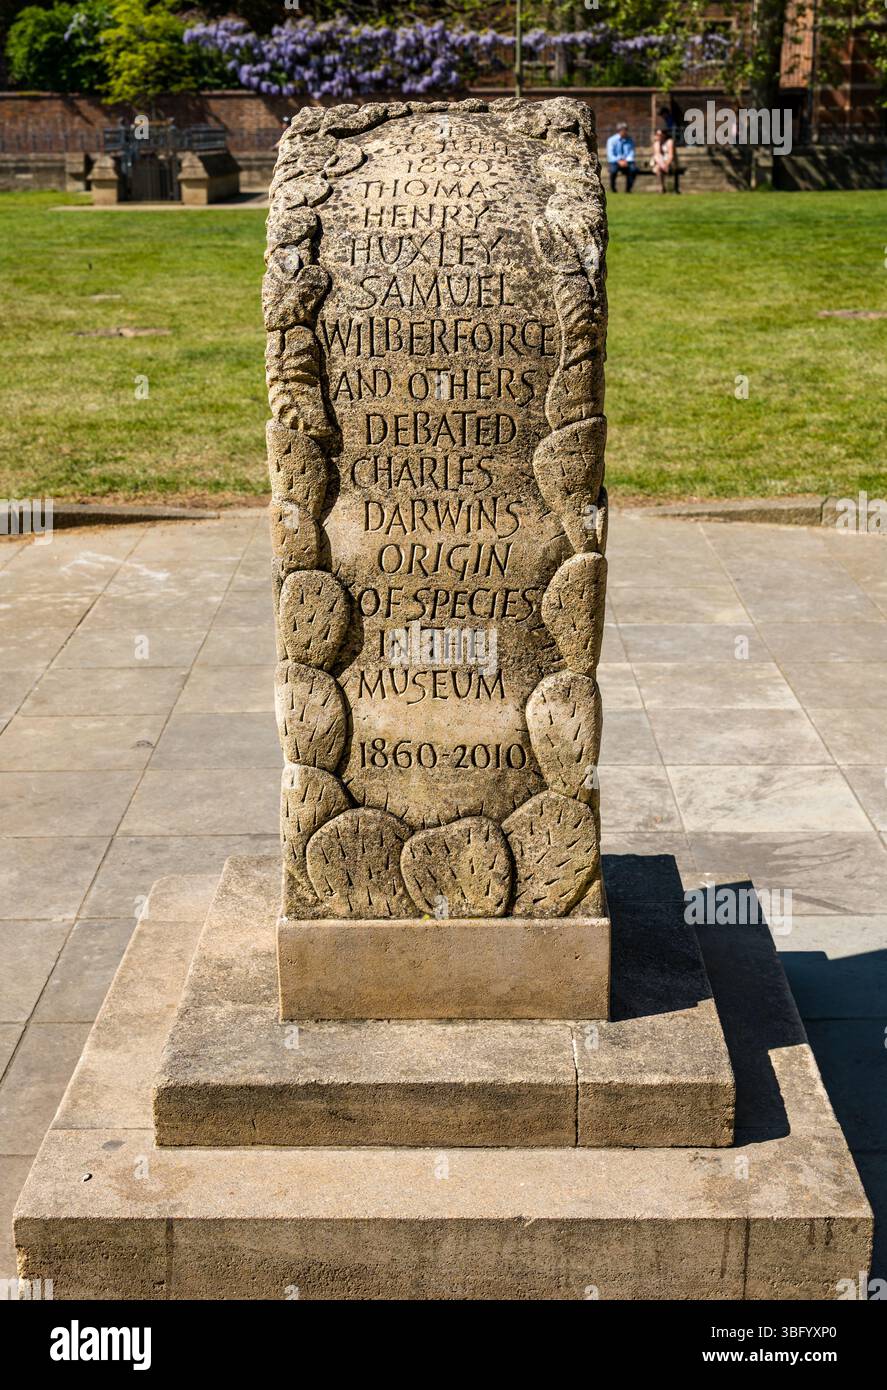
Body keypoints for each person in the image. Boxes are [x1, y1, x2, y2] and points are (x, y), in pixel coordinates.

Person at [605, 122, 637, 193]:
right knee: (613, 171)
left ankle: (628, 189)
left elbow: (631, 152)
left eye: (626, 130)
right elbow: (610, 154)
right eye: (623, 130)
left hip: (627, 161)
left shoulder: (630, 140)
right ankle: (613, 188)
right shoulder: (611, 140)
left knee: (633, 170)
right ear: (619, 131)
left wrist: (626, 160)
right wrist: (619, 161)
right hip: (615, 161)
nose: (625, 131)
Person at [651, 126, 676, 194]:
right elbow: (657, 155)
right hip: (660, 163)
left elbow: (671, 156)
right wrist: (656, 143)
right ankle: (662, 187)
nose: (658, 136)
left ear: (664, 135)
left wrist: (666, 164)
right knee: (658, 167)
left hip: (669, 162)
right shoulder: (656, 144)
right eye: (657, 135)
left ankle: (662, 188)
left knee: (657, 168)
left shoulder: (669, 142)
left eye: (659, 135)